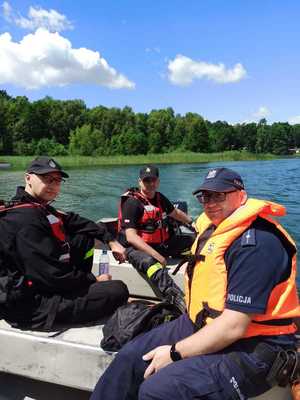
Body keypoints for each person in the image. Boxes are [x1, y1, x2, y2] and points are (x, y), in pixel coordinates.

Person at [91, 167, 300, 400]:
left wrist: (174, 353)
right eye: (205, 196)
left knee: (159, 390)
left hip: (253, 345)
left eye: (219, 195)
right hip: (203, 324)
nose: (210, 203)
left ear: (241, 194)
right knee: (130, 357)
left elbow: (234, 326)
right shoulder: (213, 229)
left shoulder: (258, 244)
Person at [0, 156, 129, 331]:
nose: (54, 185)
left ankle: (82, 286)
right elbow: (53, 274)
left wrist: (111, 240)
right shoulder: (25, 221)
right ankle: (85, 287)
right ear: (28, 178)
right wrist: (94, 279)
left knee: (84, 238)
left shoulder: (37, 207)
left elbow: (75, 220)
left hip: (47, 285)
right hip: (33, 307)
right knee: (118, 290)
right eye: (47, 179)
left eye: (58, 181)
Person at [118, 165, 195, 310]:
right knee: (151, 263)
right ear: (140, 181)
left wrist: (193, 223)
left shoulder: (160, 198)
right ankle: (176, 298)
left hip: (160, 244)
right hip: (135, 248)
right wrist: (157, 256)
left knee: (192, 241)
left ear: (158, 181)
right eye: (146, 180)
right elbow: (131, 237)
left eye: (153, 180)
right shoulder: (132, 203)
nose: (150, 184)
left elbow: (175, 213)